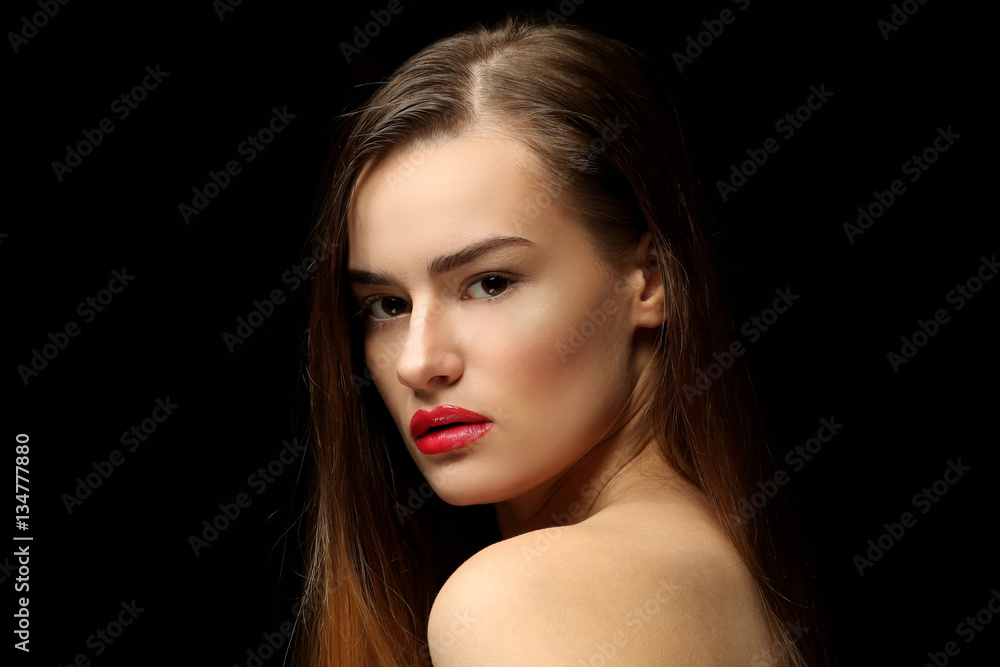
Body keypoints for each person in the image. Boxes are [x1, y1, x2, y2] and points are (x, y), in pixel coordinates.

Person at [298, 12, 825, 666]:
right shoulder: (724, 567)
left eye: (489, 282)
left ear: (649, 279)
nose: (418, 361)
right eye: (387, 304)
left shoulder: (517, 598)